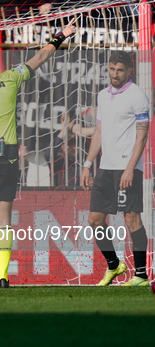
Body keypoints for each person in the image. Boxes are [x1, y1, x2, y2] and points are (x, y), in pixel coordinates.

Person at [0, 20, 76, 289]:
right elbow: (41, 56)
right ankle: (2, 277)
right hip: (8, 154)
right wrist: (61, 35)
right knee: (3, 218)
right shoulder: (11, 77)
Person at [81, 51, 150, 287]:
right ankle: (114, 265)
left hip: (127, 167)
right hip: (105, 169)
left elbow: (142, 137)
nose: (115, 74)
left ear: (129, 71)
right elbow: (99, 132)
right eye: (111, 69)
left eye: (120, 70)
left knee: (132, 220)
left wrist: (130, 169)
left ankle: (140, 274)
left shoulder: (137, 96)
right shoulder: (102, 96)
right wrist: (88, 164)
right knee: (94, 220)